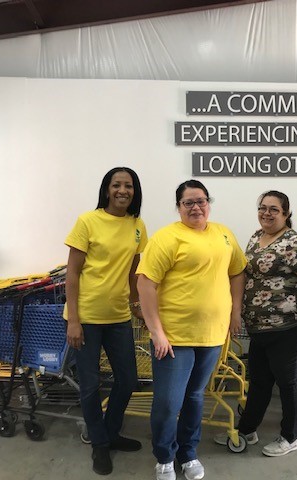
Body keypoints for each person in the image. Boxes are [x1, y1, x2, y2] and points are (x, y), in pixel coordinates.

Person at [137, 180, 247, 480]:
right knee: (168, 401)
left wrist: (235, 311)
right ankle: (164, 457)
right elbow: (145, 284)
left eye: (201, 201)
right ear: (178, 207)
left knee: (196, 396)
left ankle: (188, 454)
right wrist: (157, 332)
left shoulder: (224, 233)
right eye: (188, 202)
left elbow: (237, 271)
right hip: (174, 337)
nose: (196, 207)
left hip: (211, 334)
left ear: (208, 203)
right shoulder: (167, 237)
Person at [213, 190, 297, 457]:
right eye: (262, 207)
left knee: (289, 383)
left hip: (290, 326)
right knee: (260, 381)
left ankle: (291, 436)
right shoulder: (256, 237)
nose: (266, 213)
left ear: (286, 214)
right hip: (260, 327)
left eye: (274, 209)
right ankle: (246, 430)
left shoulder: (295, 243)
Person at [64, 167, 147, 475]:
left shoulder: (138, 226)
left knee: (127, 381)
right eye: (116, 185)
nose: (122, 190)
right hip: (85, 317)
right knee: (90, 385)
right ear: (107, 189)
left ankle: (110, 433)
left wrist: (136, 305)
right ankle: (99, 444)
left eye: (128, 185)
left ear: (135, 191)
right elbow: (72, 273)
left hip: (118, 317)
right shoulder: (88, 220)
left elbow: (133, 272)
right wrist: (73, 319)